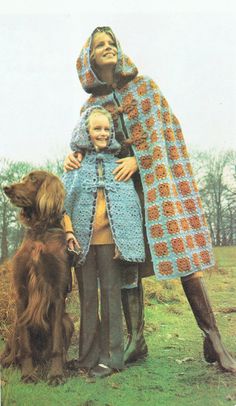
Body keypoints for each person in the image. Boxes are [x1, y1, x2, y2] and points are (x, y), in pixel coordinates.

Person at [64, 26, 236, 372]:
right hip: (119, 192)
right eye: (100, 45)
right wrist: (73, 158)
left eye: (112, 43)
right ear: (89, 58)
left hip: (158, 185)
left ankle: (214, 339)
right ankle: (136, 340)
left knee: (185, 258)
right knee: (126, 261)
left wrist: (138, 159)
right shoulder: (91, 105)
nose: (108, 48)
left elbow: (167, 134)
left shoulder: (146, 89)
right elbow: (84, 142)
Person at [62, 106, 145, 378]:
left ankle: (112, 359)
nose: (103, 133)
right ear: (87, 132)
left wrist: (127, 239)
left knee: (111, 296)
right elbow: (64, 203)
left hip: (112, 243)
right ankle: (87, 357)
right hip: (83, 244)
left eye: (107, 129)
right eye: (97, 129)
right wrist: (68, 232)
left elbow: (130, 203)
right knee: (87, 299)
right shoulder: (76, 163)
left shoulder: (119, 164)